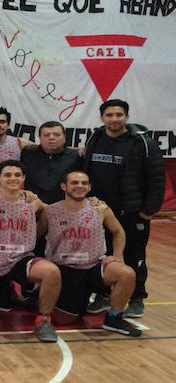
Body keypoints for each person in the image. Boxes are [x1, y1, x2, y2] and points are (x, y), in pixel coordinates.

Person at [0, 160, 62, 342]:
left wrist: (93, 204)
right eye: (7, 175)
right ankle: (4, 290)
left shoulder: (33, 202)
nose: (13, 178)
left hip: (21, 258)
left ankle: (44, 320)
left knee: (52, 272)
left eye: (17, 175)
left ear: (23, 178)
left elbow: (57, 211)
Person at [84, 99, 165, 317]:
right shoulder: (96, 138)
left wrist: (148, 211)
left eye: (119, 115)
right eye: (109, 115)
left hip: (131, 212)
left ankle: (137, 298)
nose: (114, 119)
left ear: (127, 117)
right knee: (101, 255)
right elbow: (86, 170)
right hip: (99, 211)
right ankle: (102, 295)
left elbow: (157, 179)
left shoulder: (143, 143)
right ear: (102, 118)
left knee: (134, 255)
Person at [38, 171, 141, 336]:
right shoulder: (50, 211)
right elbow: (36, 235)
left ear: (89, 187)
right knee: (65, 319)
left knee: (126, 274)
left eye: (84, 183)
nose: (80, 186)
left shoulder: (100, 208)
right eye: (74, 183)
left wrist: (118, 255)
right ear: (64, 186)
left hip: (93, 266)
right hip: (64, 269)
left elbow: (118, 232)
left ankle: (114, 318)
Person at [20, 121, 82, 205]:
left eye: (57, 135)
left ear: (64, 137)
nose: (51, 138)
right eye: (46, 135)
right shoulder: (27, 153)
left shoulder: (77, 157)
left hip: (65, 208)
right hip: (31, 205)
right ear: (39, 138)